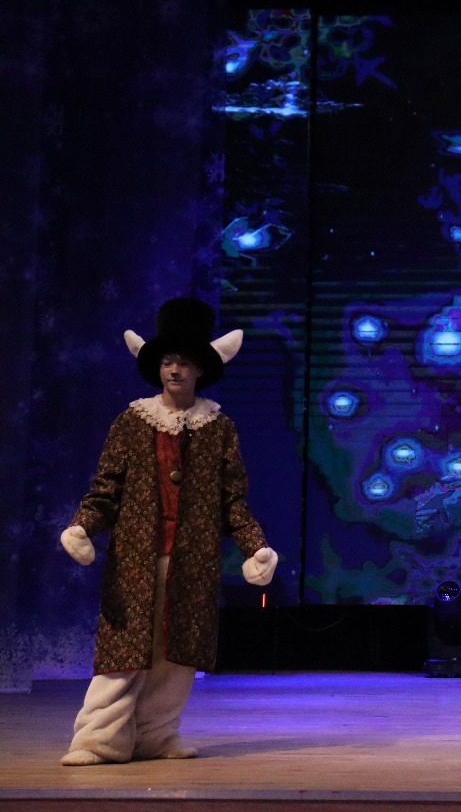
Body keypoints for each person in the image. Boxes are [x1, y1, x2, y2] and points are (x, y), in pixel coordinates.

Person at [58, 298, 278, 766]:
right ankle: (97, 739)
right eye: (166, 362)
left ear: (200, 368)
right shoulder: (133, 421)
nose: (174, 370)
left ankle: (156, 736)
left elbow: (232, 500)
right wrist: (82, 526)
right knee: (125, 650)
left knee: (176, 654)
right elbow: (106, 487)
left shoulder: (219, 428)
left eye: (183, 362)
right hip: (137, 555)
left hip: (191, 559)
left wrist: (255, 548)